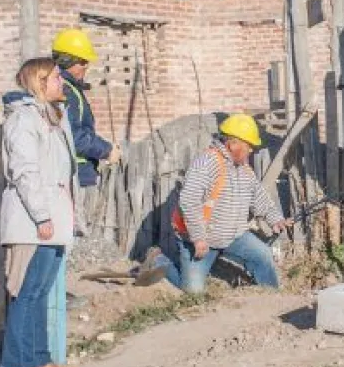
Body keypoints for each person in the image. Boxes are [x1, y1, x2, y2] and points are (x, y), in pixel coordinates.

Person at [0, 57, 80, 367]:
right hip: (33, 221)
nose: (63, 82)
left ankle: (40, 360)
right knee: (26, 293)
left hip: (53, 220)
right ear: (39, 81)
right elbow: (25, 171)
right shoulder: (23, 119)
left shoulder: (54, 118)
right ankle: (15, 364)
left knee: (41, 292)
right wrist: (42, 216)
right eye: (57, 77)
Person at [144, 113, 291, 294]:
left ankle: (271, 296)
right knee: (193, 291)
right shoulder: (207, 163)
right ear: (232, 144)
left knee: (263, 256)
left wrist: (275, 219)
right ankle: (158, 260)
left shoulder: (243, 167)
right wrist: (198, 238)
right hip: (201, 240)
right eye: (248, 146)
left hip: (233, 236)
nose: (251, 150)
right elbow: (189, 201)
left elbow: (258, 195)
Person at [50, 28, 122, 228]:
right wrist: (106, 150)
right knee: (74, 232)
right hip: (74, 175)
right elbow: (74, 136)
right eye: (83, 62)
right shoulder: (67, 91)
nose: (86, 67)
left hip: (70, 174)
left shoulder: (64, 88)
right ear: (68, 62)